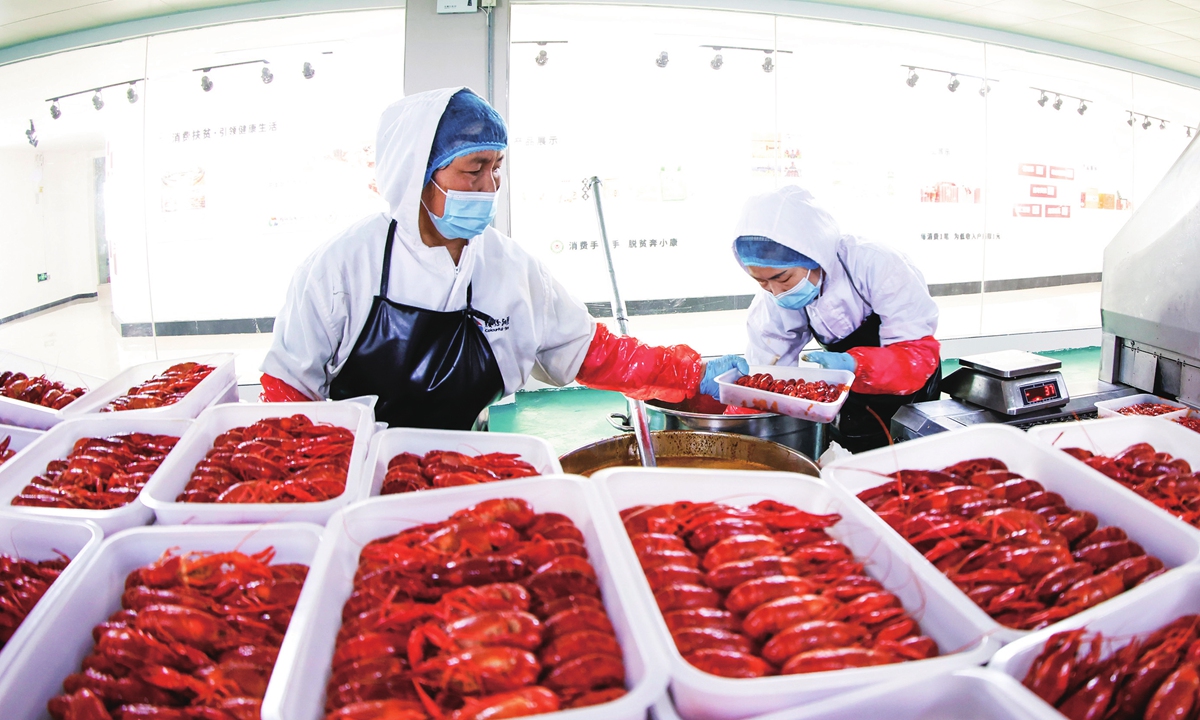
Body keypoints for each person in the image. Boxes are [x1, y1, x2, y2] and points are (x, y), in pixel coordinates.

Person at [260, 87, 745, 429]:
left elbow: (590, 352)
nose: (490, 187)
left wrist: (690, 374)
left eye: (497, 169)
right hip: (357, 471)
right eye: (474, 169)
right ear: (416, 175)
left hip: (465, 463)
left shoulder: (510, 268)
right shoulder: (342, 266)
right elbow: (287, 391)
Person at [733, 186, 941, 452]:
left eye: (782, 278)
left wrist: (858, 365)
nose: (775, 291)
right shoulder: (773, 299)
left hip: (911, 387)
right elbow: (767, 369)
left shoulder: (876, 265)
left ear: (814, 255)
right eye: (761, 281)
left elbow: (917, 356)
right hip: (852, 392)